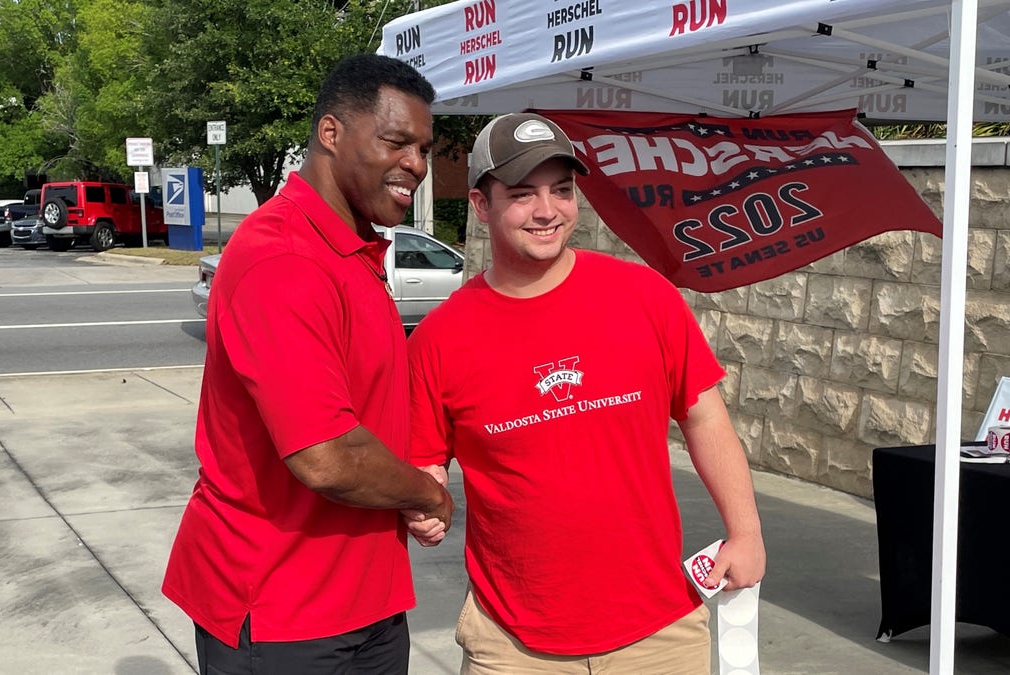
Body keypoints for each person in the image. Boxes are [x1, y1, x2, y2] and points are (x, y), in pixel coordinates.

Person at [404, 113, 766, 673]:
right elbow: (425, 460)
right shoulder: (439, 339)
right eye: (523, 194)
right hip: (514, 642)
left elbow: (706, 419)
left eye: (561, 191)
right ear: (481, 205)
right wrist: (424, 507)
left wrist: (745, 534)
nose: (547, 211)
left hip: (659, 632)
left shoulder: (643, 296)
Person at [162, 53, 454, 675]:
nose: (417, 166)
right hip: (281, 611)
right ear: (331, 134)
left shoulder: (351, 249)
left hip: (366, 598)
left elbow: (371, 405)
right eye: (397, 142)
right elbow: (327, 458)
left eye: (425, 149)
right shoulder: (284, 260)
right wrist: (427, 493)